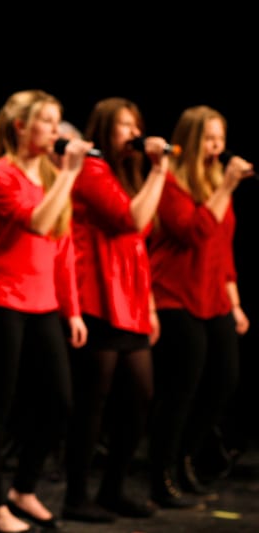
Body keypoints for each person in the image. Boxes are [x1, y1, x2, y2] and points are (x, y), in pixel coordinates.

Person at [0, 90, 90, 533]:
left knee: (60, 402)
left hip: (43, 304)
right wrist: (68, 174)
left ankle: (24, 488)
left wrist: (72, 311)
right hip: (1, 301)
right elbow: (38, 222)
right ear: (21, 126)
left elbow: (63, 248)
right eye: (47, 122)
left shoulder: (48, 175)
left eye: (59, 122)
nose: (56, 132)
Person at [61, 97, 172, 523]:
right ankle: (76, 494)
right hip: (98, 296)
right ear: (105, 130)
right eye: (123, 126)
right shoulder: (91, 169)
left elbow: (139, 238)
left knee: (140, 396)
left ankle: (112, 488)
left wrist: (149, 306)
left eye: (135, 125)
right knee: (94, 402)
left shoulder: (127, 173)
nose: (132, 133)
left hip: (130, 299)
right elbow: (130, 220)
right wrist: (160, 169)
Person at [147, 105, 253, 506]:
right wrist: (226, 188)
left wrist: (235, 303)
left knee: (224, 380)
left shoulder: (213, 181)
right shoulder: (172, 184)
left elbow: (222, 248)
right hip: (175, 294)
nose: (218, 147)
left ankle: (187, 459)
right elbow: (193, 233)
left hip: (213, 296)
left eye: (221, 138)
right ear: (192, 140)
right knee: (180, 390)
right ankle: (162, 473)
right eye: (209, 138)